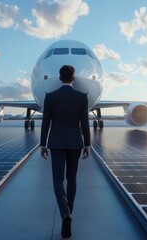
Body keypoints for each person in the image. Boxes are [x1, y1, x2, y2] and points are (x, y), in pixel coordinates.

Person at [40, 65, 91, 238]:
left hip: (56, 142)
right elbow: (84, 123)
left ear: (60, 77)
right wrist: (87, 145)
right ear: (73, 78)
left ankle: (64, 213)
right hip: (76, 143)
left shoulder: (51, 97)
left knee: (57, 179)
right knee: (72, 178)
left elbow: (46, 122)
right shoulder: (81, 97)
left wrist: (42, 144)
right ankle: (69, 214)